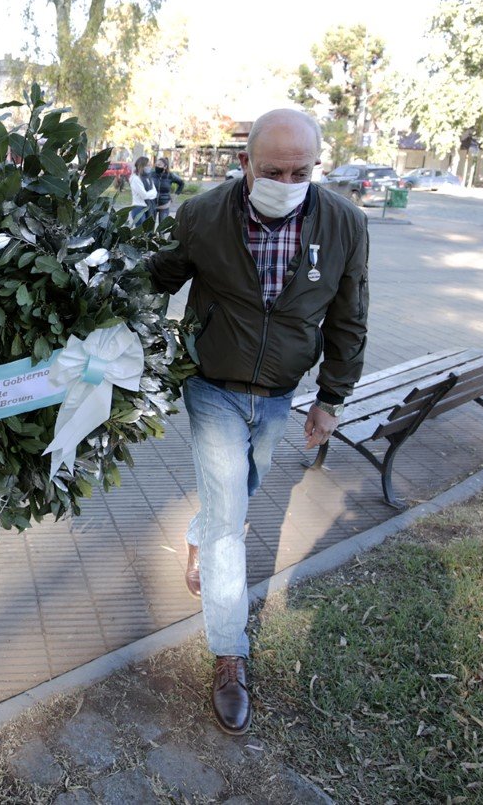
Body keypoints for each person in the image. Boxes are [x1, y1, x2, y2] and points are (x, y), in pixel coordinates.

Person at [146, 108, 369, 735]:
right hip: (212, 386)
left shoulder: (345, 223)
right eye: (274, 170)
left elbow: (350, 318)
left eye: (302, 170)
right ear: (246, 163)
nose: (287, 180)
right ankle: (230, 655)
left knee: (240, 492)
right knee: (228, 524)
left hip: (279, 392)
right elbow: (160, 275)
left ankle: (200, 532)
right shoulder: (203, 214)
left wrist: (331, 399)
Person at [151, 157, 186, 225]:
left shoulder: (170, 175)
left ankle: (161, 236)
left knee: (162, 229)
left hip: (165, 205)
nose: (157, 166)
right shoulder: (151, 174)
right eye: (156, 164)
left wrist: (175, 195)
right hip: (152, 205)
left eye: (159, 165)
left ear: (165, 166)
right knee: (149, 230)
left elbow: (181, 183)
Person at [128, 155, 157, 226]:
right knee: (140, 232)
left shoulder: (148, 178)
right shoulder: (135, 178)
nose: (149, 167)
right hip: (138, 208)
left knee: (148, 231)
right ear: (141, 166)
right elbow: (144, 195)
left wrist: (149, 194)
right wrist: (151, 194)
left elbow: (155, 192)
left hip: (148, 207)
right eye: (147, 165)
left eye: (150, 165)